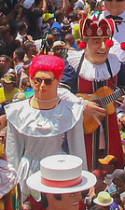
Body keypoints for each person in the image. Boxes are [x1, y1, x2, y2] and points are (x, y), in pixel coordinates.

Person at [61, 13, 125, 170]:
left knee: (110, 166)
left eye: (106, 41)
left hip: (109, 128)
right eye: (96, 41)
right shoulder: (73, 64)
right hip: (81, 128)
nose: (103, 47)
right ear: (85, 43)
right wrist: (82, 105)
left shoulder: (115, 64)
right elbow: (61, 92)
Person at [5, 54, 88, 198]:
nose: (42, 86)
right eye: (38, 80)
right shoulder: (17, 112)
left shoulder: (71, 111)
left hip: (58, 170)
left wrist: (82, 182)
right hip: (26, 172)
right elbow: (13, 152)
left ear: (58, 80)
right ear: (31, 80)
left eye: (48, 81)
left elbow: (78, 149)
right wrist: (10, 186)